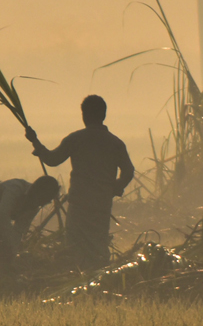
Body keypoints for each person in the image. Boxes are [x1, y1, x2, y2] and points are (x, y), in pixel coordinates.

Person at [25, 95, 134, 270]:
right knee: (99, 242)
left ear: (84, 115)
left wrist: (35, 142)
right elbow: (128, 172)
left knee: (76, 244)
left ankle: (79, 277)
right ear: (103, 115)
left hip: (80, 202)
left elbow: (52, 159)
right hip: (102, 203)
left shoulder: (76, 139)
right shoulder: (115, 143)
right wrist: (115, 188)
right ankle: (100, 275)